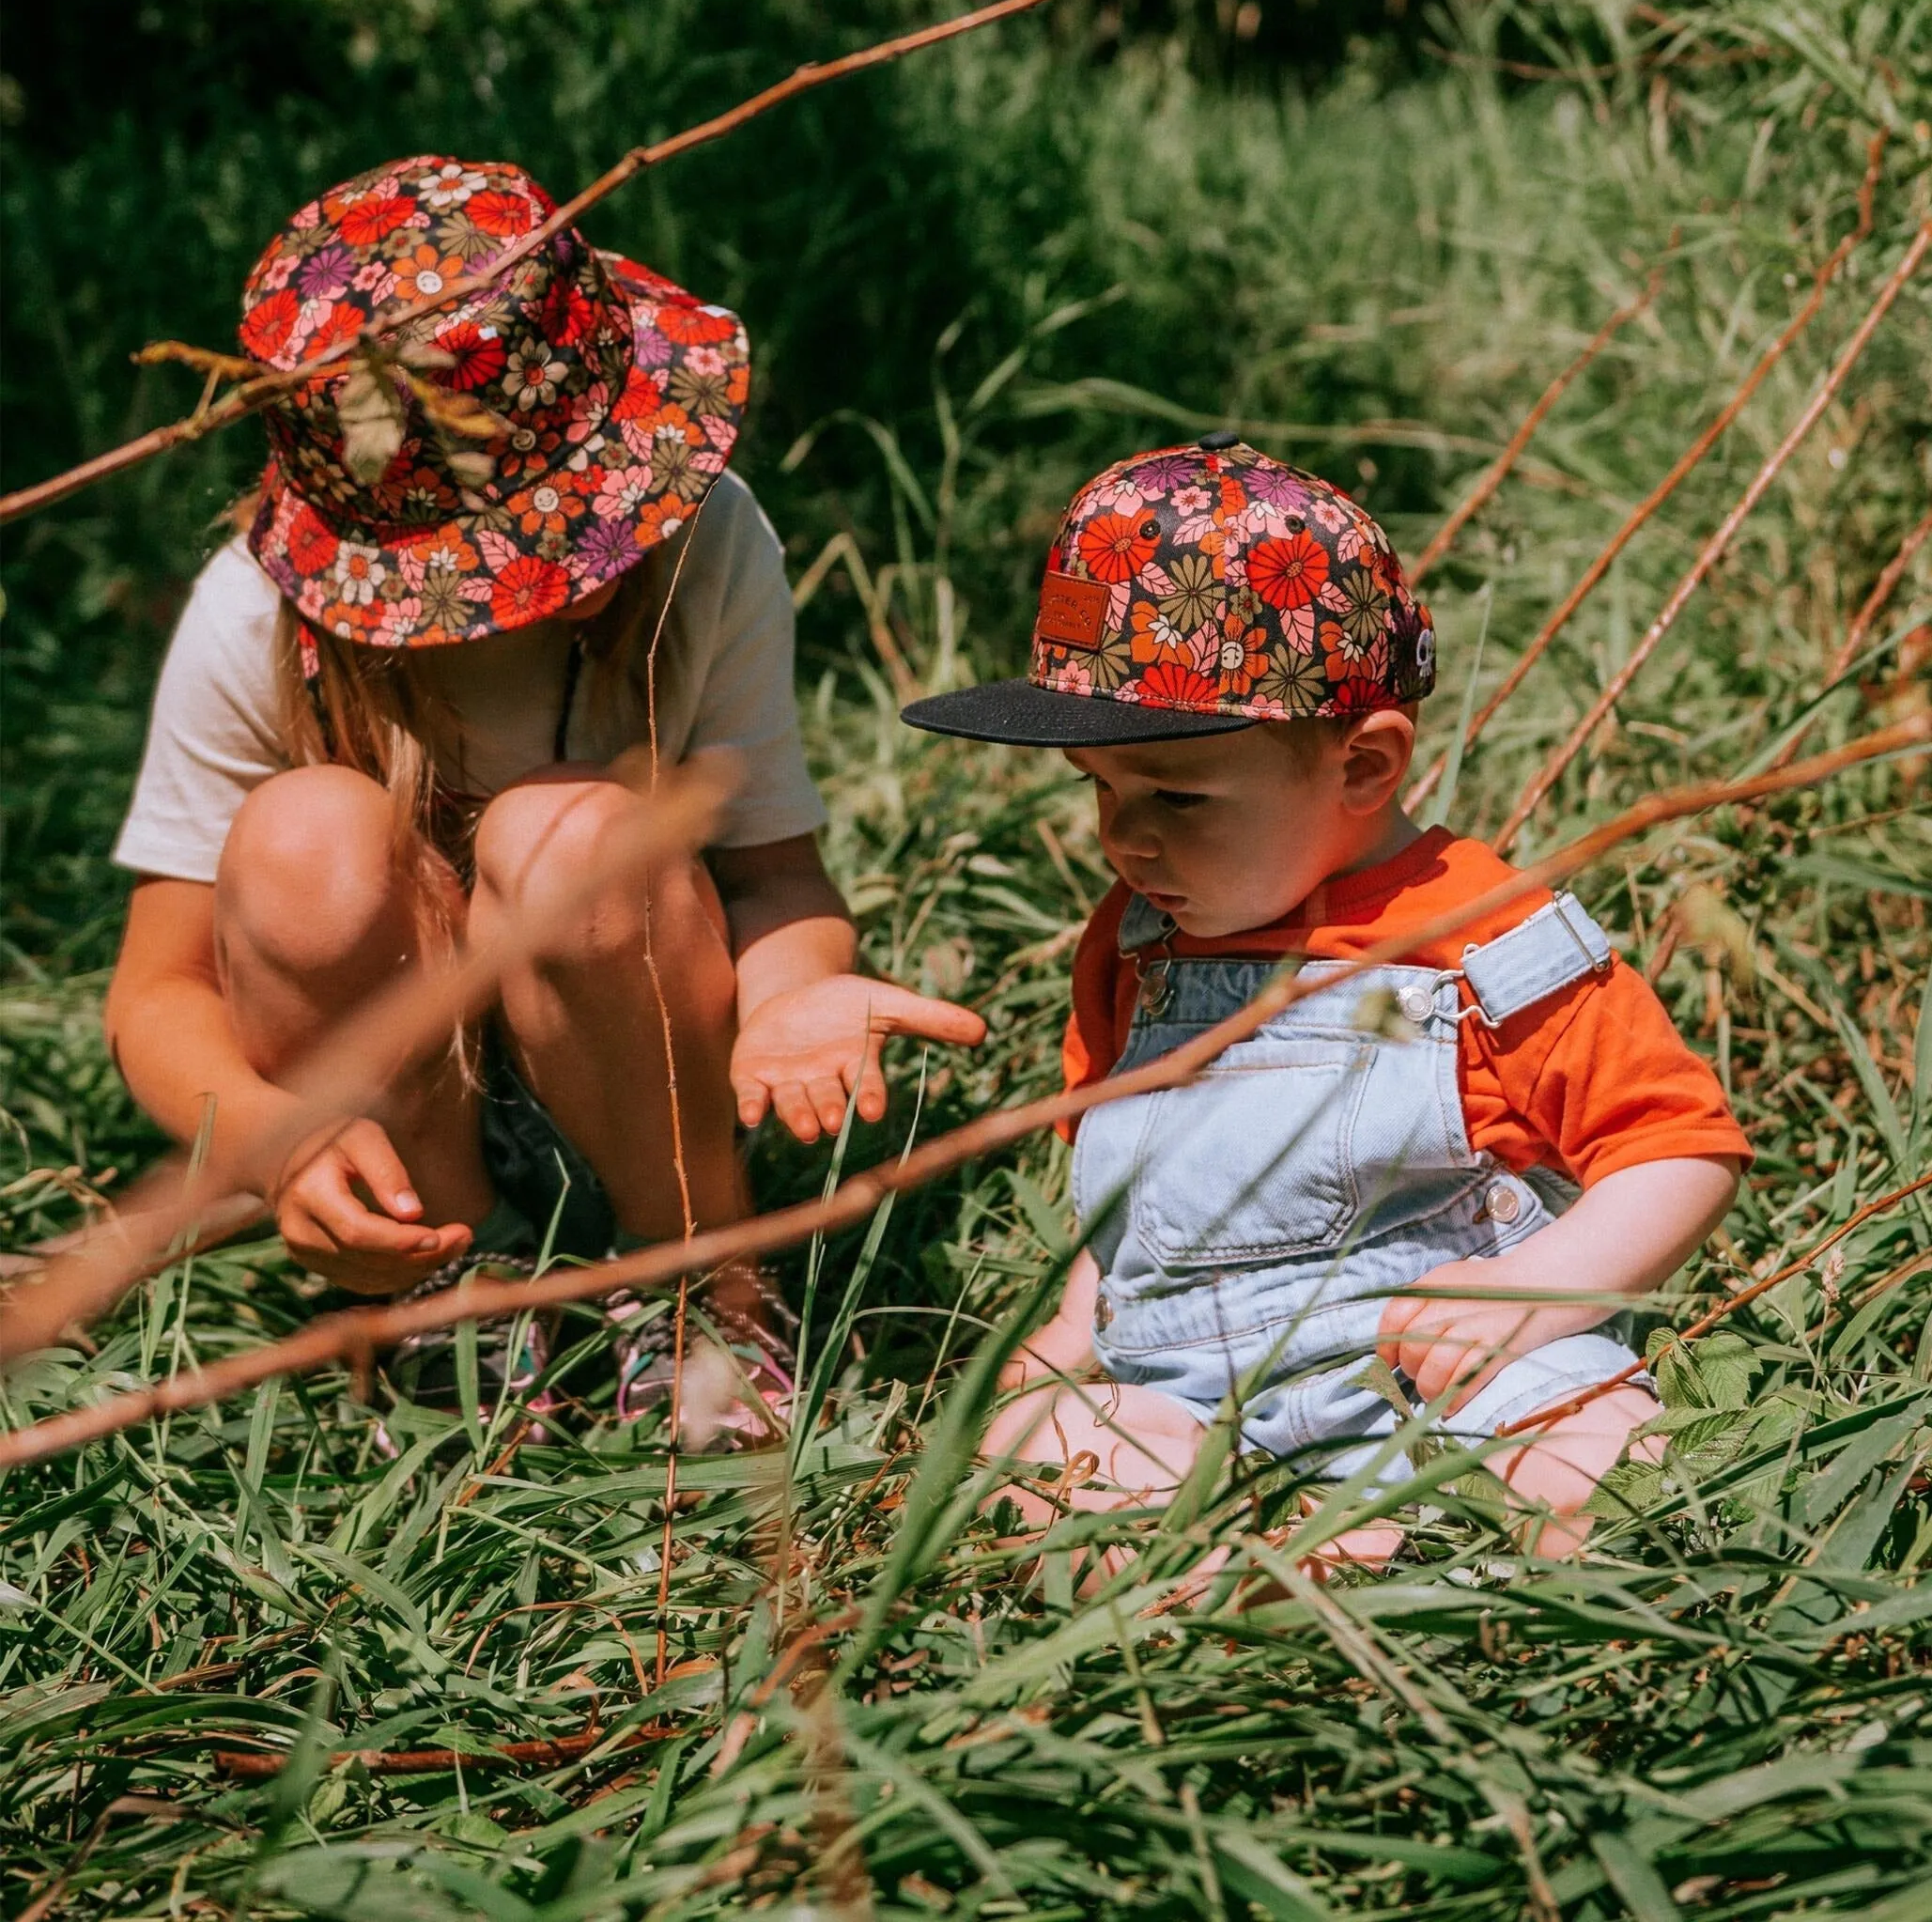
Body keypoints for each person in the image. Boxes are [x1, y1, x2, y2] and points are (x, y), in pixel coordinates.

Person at [103, 154, 983, 1436]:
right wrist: (274, 1136)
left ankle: (695, 1276)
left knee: (571, 834)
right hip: (396, 1096)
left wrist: (794, 996)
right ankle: (458, 1286)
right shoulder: (260, 615)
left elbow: (771, 874)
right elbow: (156, 989)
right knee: (306, 836)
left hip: (651, 1057)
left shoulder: (702, 551)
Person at [901, 437, 1745, 1562]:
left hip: (1454, 1365)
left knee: (1599, 1464)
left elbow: (1677, 1147)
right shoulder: (1136, 939)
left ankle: (1418, 1543)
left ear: (1361, 767)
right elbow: (1128, 1183)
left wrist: (1542, 1289)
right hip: (1190, 1388)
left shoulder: (1482, 937)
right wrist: (1069, 1328)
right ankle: (1252, 1564)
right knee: (1038, 1444)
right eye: (1098, 793)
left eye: (1177, 797)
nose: (1124, 839)